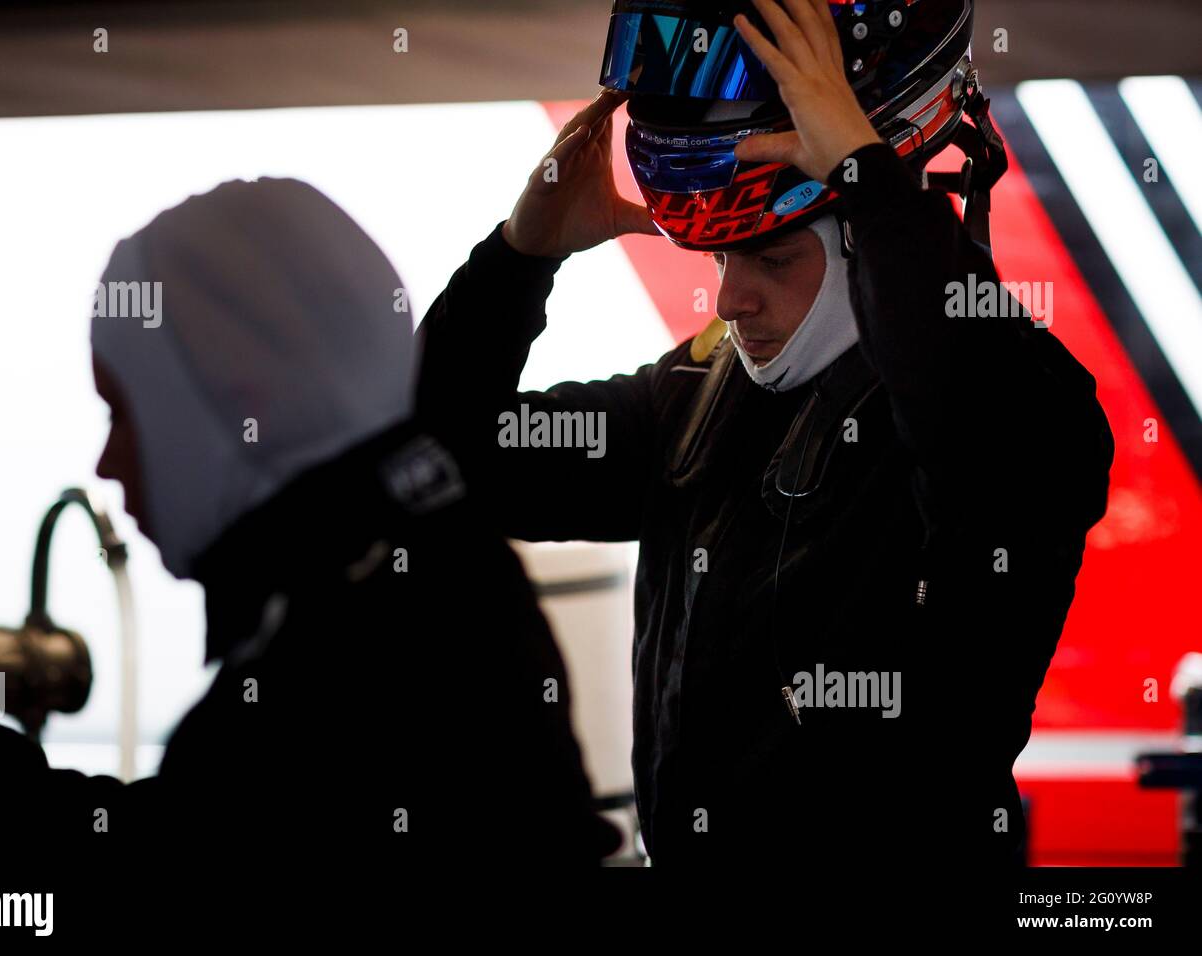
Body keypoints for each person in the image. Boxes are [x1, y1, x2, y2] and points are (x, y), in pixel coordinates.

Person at [416, 0, 1114, 866]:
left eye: (773, 258)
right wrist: (520, 258)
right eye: (720, 259)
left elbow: (961, 401)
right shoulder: (696, 396)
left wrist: (866, 175)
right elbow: (440, 462)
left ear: (868, 231)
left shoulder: (1024, 408)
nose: (731, 300)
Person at [0, 178, 617, 868]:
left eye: (125, 412)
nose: (107, 463)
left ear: (235, 399)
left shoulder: (340, 654)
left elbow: (152, 858)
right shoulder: (422, 559)